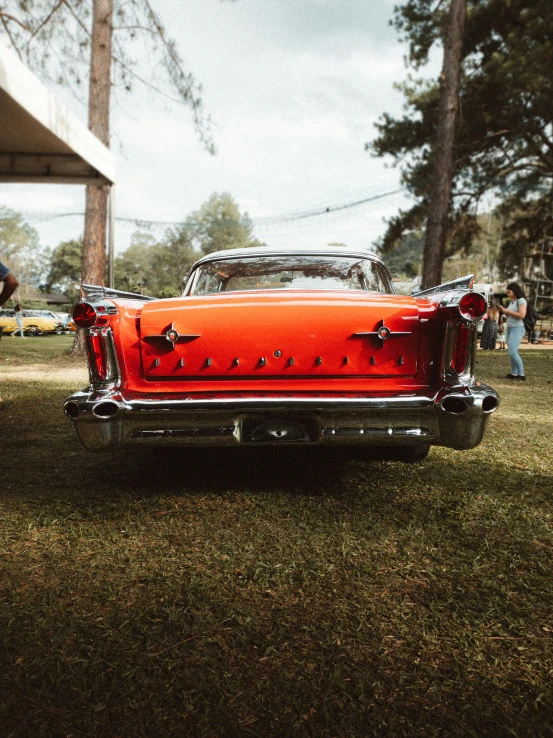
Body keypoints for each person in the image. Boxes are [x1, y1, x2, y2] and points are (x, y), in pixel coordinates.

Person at [498, 282, 527, 381]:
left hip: (517, 328)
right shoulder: (511, 302)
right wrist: (504, 313)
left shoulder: (521, 300)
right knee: (511, 352)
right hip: (509, 328)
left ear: (515, 291)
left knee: (513, 352)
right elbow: (510, 315)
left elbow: (522, 315)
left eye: (509, 292)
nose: (507, 294)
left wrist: (507, 311)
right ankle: (514, 373)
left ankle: (521, 374)